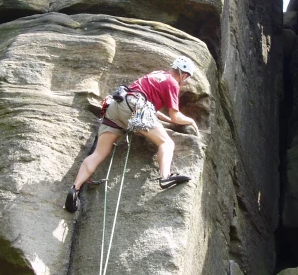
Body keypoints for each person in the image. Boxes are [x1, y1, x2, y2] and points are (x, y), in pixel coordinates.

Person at [65, 56, 200, 212]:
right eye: (187, 78)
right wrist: (191, 121)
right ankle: (165, 177)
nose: (186, 81)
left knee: (99, 153)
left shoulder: (157, 74)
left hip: (117, 106)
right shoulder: (172, 83)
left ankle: (75, 188)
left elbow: (152, 110)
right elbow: (176, 116)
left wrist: (168, 121)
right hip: (135, 107)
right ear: (184, 75)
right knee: (167, 143)